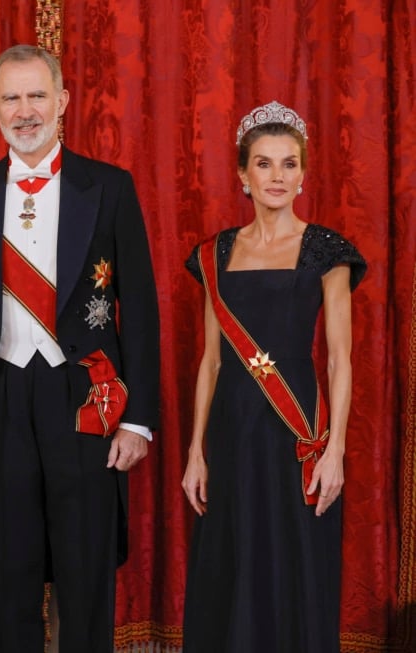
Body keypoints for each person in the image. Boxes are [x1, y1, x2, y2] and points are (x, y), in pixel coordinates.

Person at [0, 45, 160, 652]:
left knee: (85, 570)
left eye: (37, 96)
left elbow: (138, 307)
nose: (25, 110)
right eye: (11, 97)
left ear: (62, 103)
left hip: (85, 395)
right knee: (7, 571)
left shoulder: (109, 188)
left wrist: (138, 420)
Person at [181, 101, 366, 652]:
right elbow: (211, 361)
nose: (277, 176)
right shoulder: (214, 254)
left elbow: (339, 358)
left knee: (295, 560)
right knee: (233, 559)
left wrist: (333, 452)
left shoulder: (325, 251)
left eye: (288, 164)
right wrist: (196, 451)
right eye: (264, 164)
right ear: (243, 175)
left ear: (304, 174)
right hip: (233, 433)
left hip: (297, 433)